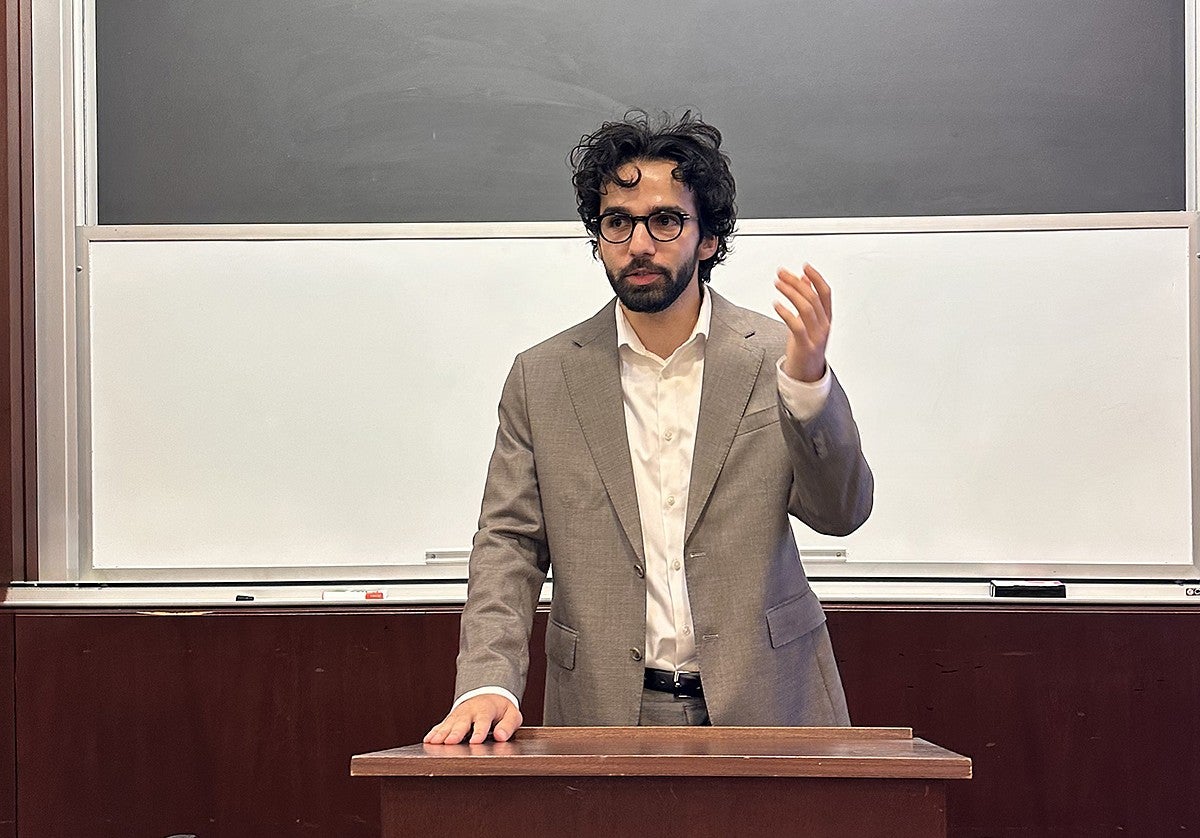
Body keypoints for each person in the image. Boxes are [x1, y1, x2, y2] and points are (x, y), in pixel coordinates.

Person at [425, 111, 873, 745]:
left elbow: (842, 511)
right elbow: (509, 542)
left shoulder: (778, 355)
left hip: (771, 702)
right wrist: (486, 681)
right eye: (618, 222)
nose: (639, 244)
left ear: (709, 238)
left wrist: (807, 385)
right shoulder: (543, 376)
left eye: (665, 220)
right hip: (604, 711)